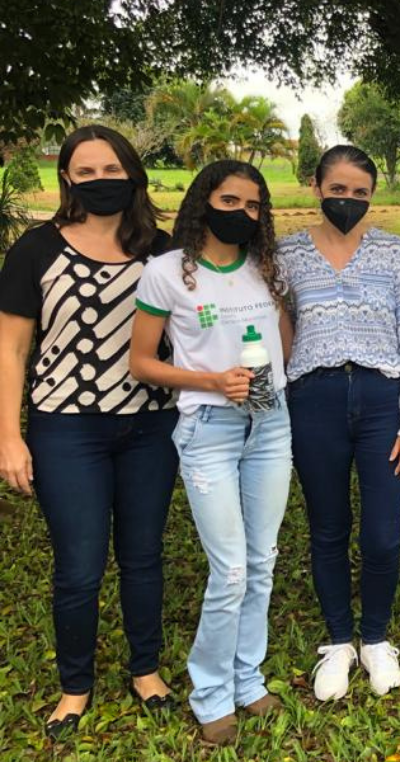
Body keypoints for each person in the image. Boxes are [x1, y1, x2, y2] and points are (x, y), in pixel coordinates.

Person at [0, 126, 179, 739]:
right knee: (78, 565)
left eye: (111, 169)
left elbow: (198, 324)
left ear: (132, 174)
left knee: (143, 556)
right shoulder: (36, 249)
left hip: (151, 425)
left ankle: (146, 670)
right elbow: (11, 348)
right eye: (86, 171)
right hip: (66, 429)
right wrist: (9, 435)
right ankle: (75, 686)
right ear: (68, 179)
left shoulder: (161, 250)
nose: (100, 180)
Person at [129, 160, 292, 744]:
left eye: (253, 205)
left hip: (270, 426)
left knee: (263, 559)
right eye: (230, 201)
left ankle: (248, 680)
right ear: (204, 201)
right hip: (208, 430)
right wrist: (211, 382)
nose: (242, 213)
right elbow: (142, 362)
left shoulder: (266, 267)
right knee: (231, 569)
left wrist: (270, 382)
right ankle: (211, 693)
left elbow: (282, 341)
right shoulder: (167, 273)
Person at [278, 145, 400, 700]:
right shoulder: (286, 254)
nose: (348, 200)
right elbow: (274, 329)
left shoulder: (393, 251)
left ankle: (376, 638)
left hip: (381, 401)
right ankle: (339, 641)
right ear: (317, 188)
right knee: (328, 527)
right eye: (338, 189)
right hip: (313, 401)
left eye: (360, 192)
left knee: (383, 534)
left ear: (372, 195)